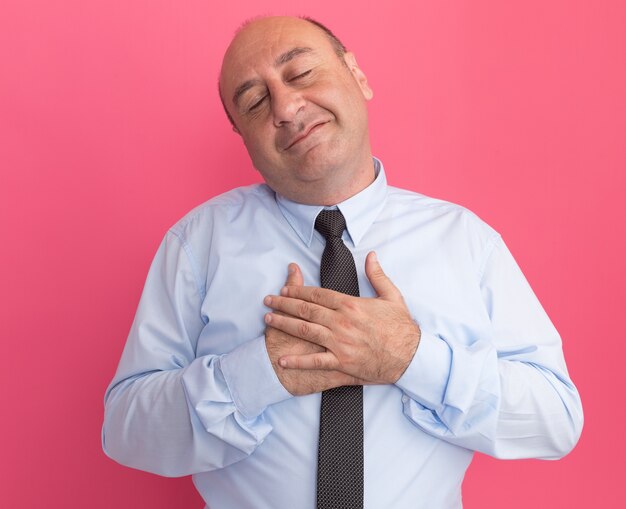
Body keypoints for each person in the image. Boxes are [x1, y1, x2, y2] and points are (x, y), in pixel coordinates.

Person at [102, 15, 583, 508]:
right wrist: (260, 373)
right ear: (242, 135)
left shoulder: (465, 240)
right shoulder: (195, 245)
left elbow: (556, 419)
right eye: (254, 101)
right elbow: (125, 431)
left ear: (357, 74)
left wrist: (409, 356)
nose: (286, 107)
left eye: (301, 74)